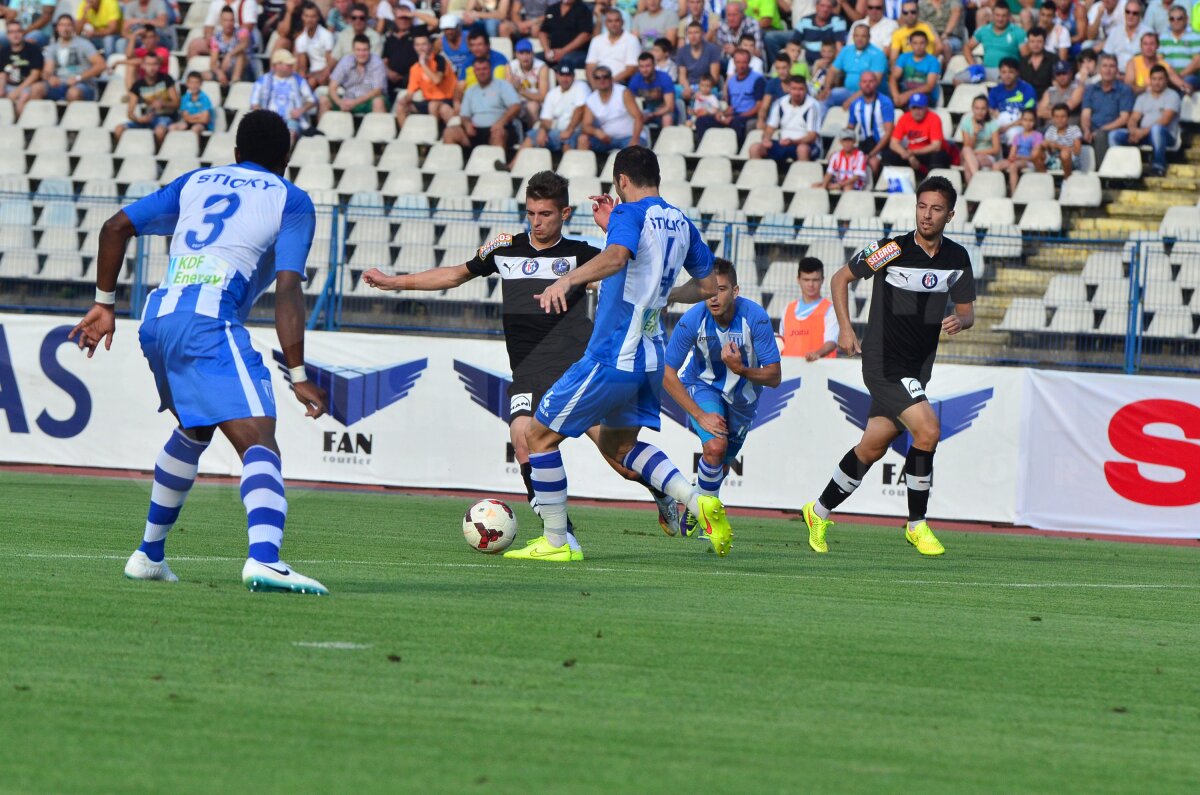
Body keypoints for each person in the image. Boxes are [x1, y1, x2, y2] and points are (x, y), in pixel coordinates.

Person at [69, 110, 330, 595]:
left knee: (195, 428)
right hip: (210, 318)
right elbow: (288, 288)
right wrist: (298, 373)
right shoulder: (290, 199)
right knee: (259, 439)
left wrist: (104, 305)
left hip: (159, 318)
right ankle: (265, 559)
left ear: (235, 153)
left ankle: (148, 555)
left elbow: (114, 227)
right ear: (286, 157)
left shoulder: (196, 181)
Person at [361, 172, 683, 536]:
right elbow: (454, 275)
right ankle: (560, 532)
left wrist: (612, 230)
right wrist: (394, 282)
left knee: (620, 461)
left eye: (545, 214)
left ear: (565, 213)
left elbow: (625, 272)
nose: (536, 222)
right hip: (528, 370)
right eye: (531, 213)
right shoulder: (504, 248)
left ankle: (662, 493)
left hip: (576, 370)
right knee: (523, 439)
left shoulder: (580, 255)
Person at [507, 146, 732, 562]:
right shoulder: (681, 222)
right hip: (649, 358)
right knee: (621, 447)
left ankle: (557, 542)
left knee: (536, 437)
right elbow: (705, 287)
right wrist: (664, 294)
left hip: (612, 354)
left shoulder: (630, 213)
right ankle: (697, 500)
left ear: (622, 180)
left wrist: (567, 281)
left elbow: (616, 257)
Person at [799, 175, 976, 558]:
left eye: (936, 209)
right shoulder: (891, 249)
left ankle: (818, 512)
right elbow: (840, 279)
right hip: (884, 362)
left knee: (872, 447)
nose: (926, 215)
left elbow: (968, 312)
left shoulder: (957, 258)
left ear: (950, 215)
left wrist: (960, 321)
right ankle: (916, 525)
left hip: (918, 368)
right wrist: (846, 329)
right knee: (928, 430)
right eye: (922, 206)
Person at [663, 258, 781, 536]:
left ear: (735, 291)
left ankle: (695, 502)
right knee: (715, 448)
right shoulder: (692, 319)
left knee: (722, 466)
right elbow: (667, 373)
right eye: (708, 290)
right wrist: (699, 414)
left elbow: (774, 376)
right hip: (703, 387)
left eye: (721, 289)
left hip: (744, 399)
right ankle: (709, 522)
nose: (713, 297)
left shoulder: (756, 318)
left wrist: (741, 369)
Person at [1110, 63, 1180, 176]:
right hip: (1143, 135)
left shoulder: (1173, 96)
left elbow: (1165, 120)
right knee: (1114, 135)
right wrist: (1133, 131)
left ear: (1166, 80)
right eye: (1154, 79)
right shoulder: (1143, 97)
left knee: (1157, 129)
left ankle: (1158, 166)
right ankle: (1121, 167)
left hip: (1165, 136)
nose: (1157, 82)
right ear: (1150, 80)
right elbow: (1133, 118)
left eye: (1160, 79)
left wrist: (1142, 132)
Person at [445, 56, 522, 151]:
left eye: (484, 69)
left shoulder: (503, 85)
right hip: (475, 131)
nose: (481, 72)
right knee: (450, 132)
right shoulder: (470, 91)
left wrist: (501, 122)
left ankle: (495, 160)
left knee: (498, 134)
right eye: (478, 70)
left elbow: (516, 106)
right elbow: (464, 115)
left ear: (490, 69)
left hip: (498, 128)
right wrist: (467, 124)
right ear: (474, 72)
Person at [695, 47, 765, 144]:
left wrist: (737, 116)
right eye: (738, 62)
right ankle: (706, 145)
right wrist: (722, 114)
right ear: (734, 63)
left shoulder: (757, 79)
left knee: (736, 123)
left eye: (744, 62)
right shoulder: (731, 81)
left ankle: (737, 148)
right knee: (702, 120)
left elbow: (759, 106)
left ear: (749, 62)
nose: (741, 66)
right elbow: (731, 107)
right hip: (734, 115)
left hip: (748, 115)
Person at [778, 256, 840, 358]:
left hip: (820, 367)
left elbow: (832, 341)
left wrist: (817, 354)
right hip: (790, 367)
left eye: (815, 280)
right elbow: (781, 341)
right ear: (798, 280)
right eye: (806, 280)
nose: (811, 284)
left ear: (822, 280)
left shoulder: (831, 310)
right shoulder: (787, 310)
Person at [750, 74, 822, 160]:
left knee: (802, 149)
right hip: (784, 143)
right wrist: (766, 139)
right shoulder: (780, 103)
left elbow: (812, 136)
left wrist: (792, 142)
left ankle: (803, 169)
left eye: (801, 89)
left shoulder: (813, 105)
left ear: (806, 90)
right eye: (794, 89)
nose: (797, 93)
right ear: (789, 89)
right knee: (755, 148)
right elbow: (770, 128)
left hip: (807, 144)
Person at [32, 15, 103, 102]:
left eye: (68, 25)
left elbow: (101, 65)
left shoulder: (84, 44)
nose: (65, 29)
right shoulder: (53, 47)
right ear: (57, 28)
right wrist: (50, 78)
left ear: (73, 27)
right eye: (62, 25)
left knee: (73, 93)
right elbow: (47, 70)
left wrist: (78, 78)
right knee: (36, 89)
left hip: (82, 84)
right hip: (60, 84)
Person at [251, 49, 317, 141]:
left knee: (290, 134)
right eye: (288, 65)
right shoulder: (263, 80)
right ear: (277, 65)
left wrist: (300, 110)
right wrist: (263, 117)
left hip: (292, 120)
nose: (291, 67)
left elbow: (312, 100)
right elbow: (254, 103)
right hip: (269, 120)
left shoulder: (299, 80)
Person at [577, 65, 648, 151]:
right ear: (594, 80)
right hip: (607, 139)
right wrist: (597, 132)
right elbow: (586, 125)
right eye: (597, 78)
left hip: (629, 137)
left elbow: (638, 117)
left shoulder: (623, 92)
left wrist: (635, 140)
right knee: (583, 139)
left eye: (605, 77)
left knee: (633, 149)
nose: (601, 80)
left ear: (611, 78)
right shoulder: (591, 99)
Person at [1082, 53, 1135, 167]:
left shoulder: (1124, 90)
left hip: (1113, 129)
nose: (1108, 70)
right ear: (1099, 69)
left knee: (1100, 136)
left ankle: (1101, 171)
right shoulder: (1091, 89)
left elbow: (1124, 118)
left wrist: (1102, 129)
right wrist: (1086, 130)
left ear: (1117, 69)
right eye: (1105, 66)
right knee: (1072, 133)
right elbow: (1085, 114)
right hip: (1092, 128)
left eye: (1112, 66)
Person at [395, 30, 456, 127]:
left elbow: (437, 80)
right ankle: (405, 133)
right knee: (401, 106)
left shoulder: (440, 60)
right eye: (417, 45)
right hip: (428, 101)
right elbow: (411, 92)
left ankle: (433, 133)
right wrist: (404, 100)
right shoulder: (415, 68)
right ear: (414, 47)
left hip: (446, 99)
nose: (421, 48)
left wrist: (423, 64)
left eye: (424, 44)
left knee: (434, 105)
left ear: (430, 46)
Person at [520, 62, 586, 151]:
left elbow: (580, 110)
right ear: (557, 76)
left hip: (576, 131)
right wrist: (543, 130)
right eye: (562, 75)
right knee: (532, 136)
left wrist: (569, 131)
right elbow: (546, 119)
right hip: (557, 132)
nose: (565, 79)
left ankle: (569, 160)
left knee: (567, 141)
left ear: (573, 76)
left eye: (568, 75)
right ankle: (513, 161)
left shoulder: (581, 86)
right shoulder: (552, 94)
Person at [115, 51, 177, 144]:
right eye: (148, 64)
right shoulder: (137, 85)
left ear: (159, 66)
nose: (151, 68)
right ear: (143, 66)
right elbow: (130, 113)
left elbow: (176, 103)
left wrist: (163, 104)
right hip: (146, 118)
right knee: (119, 129)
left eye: (154, 64)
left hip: (165, 117)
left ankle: (158, 151)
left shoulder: (166, 79)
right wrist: (139, 119)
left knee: (159, 131)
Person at [822, 20, 887, 109]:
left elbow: (874, 83)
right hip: (847, 91)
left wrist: (851, 100)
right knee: (825, 98)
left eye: (863, 36)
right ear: (853, 37)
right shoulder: (846, 50)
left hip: (870, 94)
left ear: (869, 38)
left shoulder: (878, 54)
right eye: (857, 36)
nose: (859, 39)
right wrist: (826, 89)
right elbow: (832, 71)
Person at [320, 34, 387, 115]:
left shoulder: (377, 62)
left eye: (365, 50)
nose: (361, 53)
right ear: (353, 50)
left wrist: (355, 102)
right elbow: (332, 87)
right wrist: (340, 102)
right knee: (324, 100)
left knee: (378, 102)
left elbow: (377, 90)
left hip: (369, 99)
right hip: (348, 98)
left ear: (370, 50)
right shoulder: (346, 61)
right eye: (358, 50)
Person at [882, 91, 947, 172]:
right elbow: (893, 143)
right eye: (914, 108)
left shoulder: (934, 118)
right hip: (910, 154)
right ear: (910, 108)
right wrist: (906, 154)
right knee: (888, 154)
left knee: (939, 156)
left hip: (926, 153)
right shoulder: (904, 118)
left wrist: (913, 152)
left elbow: (936, 146)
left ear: (926, 108)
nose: (917, 111)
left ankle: (931, 178)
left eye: (920, 108)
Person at [961, 1, 1023, 80]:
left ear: (1009, 17)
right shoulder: (983, 30)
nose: (1000, 19)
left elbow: (1025, 55)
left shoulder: (1018, 32)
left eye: (1003, 16)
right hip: (986, 70)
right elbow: (967, 47)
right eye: (997, 15)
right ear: (992, 15)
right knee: (957, 79)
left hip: (1006, 72)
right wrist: (973, 64)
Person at [848, 69, 894, 174]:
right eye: (864, 82)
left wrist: (871, 154)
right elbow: (850, 129)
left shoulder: (885, 102)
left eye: (870, 81)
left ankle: (873, 183)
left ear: (876, 83)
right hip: (864, 144)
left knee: (873, 162)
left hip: (882, 146)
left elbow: (888, 133)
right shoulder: (855, 104)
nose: (867, 85)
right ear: (860, 84)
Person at [988, 57, 1037, 144]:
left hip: (1019, 123)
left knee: (1013, 133)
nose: (1007, 76)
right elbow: (991, 110)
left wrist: (1007, 127)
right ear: (1000, 73)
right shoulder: (995, 90)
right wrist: (993, 114)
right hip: (1001, 121)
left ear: (1017, 73)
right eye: (1004, 72)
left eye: (1011, 72)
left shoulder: (1027, 89)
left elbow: (1029, 115)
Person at [1126, 31, 1193, 95]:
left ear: (1158, 46)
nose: (1148, 47)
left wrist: (1187, 88)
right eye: (1145, 44)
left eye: (1152, 44)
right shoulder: (1133, 63)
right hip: (1138, 99)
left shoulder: (1164, 65)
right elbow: (1129, 88)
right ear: (1141, 46)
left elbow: (1180, 83)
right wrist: (1148, 89)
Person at [994, 107, 1045, 192]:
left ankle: (1013, 193)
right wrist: (1012, 157)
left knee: (1013, 166)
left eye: (1031, 120)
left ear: (1035, 121)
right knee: (996, 165)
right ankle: (997, 191)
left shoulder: (1037, 136)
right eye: (1025, 120)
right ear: (1021, 121)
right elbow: (1012, 153)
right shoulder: (1017, 136)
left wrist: (1019, 157)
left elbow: (1034, 157)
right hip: (1017, 160)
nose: (1028, 123)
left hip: (1029, 162)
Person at [586, 8, 640, 85]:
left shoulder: (632, 40)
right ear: (605, 23)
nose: (613, 24)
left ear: (622, 22)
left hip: (621, 82)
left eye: (616, 21)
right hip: (598, 83)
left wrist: (608, 83)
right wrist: (594, 85)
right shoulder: (596, 40)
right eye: (610, 21)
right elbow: (590, 67)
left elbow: (631, 69)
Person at [0, 20, 43, 116]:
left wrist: (17, 91)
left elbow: (35, 75)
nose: (15, 35)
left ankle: (20, 124)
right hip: (9, 86)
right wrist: (1, 89)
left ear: (23, 33)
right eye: (12, 32)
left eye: (18, 31)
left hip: (27, 86)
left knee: (22, 99)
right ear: (7, 35)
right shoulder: (3, 52)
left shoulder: (33, 49)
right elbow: (2, 74)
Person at [890, 28, 940, 108]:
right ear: (910, 44)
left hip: (924, 95)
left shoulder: (933, 61)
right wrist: (896, 96)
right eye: (915, 43)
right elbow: (893, 78)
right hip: (904, 92)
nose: (918, 47)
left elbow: (929, 86)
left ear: (927, 44)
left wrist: (907, 95)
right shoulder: (903, 57)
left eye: (922, 43)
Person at [789, 0, 848, 66]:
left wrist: (834, 65)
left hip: (828, 62)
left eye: (828, 7)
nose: (825, 9)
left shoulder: (838, 21)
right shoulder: (805, 20)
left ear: (832, 9)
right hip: (807, 62)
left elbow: (839, 47)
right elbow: (794, 43)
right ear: (816, 7)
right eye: (822, 6)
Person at [958, 94, 1002, 183]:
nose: (979, 112)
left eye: (983, 109)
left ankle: (973, 186)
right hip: (969, 153)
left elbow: (996, 149)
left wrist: (976, 152)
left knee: (968, 163)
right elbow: (968, 146)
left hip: (986, 155)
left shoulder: (992, 123)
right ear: (972, 108)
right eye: (977, 108)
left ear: (987, 109)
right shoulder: (966, 123)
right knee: (966, 150)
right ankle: (977, 180)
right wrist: (975, 134)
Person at [538, 0, 592, 70]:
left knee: (565, 61)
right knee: (536, 59)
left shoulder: (583, 10)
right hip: (553, 51)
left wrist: (563, 51)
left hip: (577, 52)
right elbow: (543, 32)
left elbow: (585, 35)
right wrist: (547, 50)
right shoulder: (552, 9)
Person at [677, 20, 722, 101]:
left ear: (702, 34)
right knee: (674, 90)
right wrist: (687, 88)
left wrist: (702, 90)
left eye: (696, 32)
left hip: (707, 86)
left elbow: (715, 77)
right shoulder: (682, 51)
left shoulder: (712, 49)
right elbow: (682, 76)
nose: (693, 36)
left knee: (714, 93)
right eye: (690, 33)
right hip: (689, 86)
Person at [629, 50, 676, 127]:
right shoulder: (635, 80)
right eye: (642, 66)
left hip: (663, 111)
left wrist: (652, 114)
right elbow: (630, 103)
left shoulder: (664, 78)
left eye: (648, 66)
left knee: (667, 118)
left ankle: (667, 135)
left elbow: (670, 107)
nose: (645, 70)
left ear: (654, 65)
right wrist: (639, 115)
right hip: (646, 111)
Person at [294, 1, 335, 87]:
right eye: (307, 16)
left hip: (327, 73)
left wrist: (319, 74)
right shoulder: (300, 40)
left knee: (313, 80)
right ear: (302, 17)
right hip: (312, 73)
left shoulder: (326, 35)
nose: (309, 20)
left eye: (313, 16)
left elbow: (330, 64)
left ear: (317, 18)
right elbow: (302, 68)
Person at [207, 6, 250, 86]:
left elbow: (244, 44)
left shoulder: (241, 32)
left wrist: (229, 55)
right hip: (225, 68)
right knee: (203, 75)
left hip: (244, 71)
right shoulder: (216, 37)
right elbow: (213, 62)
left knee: (240, 54)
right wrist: (219, 73)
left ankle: (235, 83)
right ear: (221, 21)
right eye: (226, 20)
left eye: (231, 20)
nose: (229, 23)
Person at [1160, 6, 1200, 92]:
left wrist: (1180, 76)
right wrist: (1172, 76)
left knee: (1187, 82)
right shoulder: (1163, 36)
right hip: (1167, 76)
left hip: (1189, 76)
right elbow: (1159, 59)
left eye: (1179, 18)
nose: (1176, 21)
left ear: (1186, 19)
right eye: (1172, 19)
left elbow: (1197, 62)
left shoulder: (1195, 36)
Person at [1104, 0, 1150, 72]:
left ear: (1140, 15)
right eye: (1128, 12)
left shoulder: (1147, 32)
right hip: (1115, 74)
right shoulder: (1115, 31)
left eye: (1135, 13)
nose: (1130, 16)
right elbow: (1107, 55)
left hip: (1139, 73)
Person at [1042, 101, 1083, 175]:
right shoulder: (1050, 130)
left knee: (1064, 154)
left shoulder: (1074, 129)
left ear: (1068, 117)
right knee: (1036, 151)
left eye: (1063, 116)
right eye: (1056, 117)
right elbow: (1048, 151)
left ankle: (1067, 180)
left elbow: (1077, 151)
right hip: (1053, 161)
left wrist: (1059, 146)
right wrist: (1046, 146)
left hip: (1071, 163)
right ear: (1053, 118)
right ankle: (1043, 178)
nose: (1059, 120)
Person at [171, 70, 215, 135]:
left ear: (201, 84)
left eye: (196, 83)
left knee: (195, 129)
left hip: (202, 125)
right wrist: (198, 116)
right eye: (191, 83)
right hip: (188, 123)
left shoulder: (205, 98)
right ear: (187, 83)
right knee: (173, 127)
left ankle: (196, 142)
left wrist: (191, 117)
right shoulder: (185, 98)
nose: (194, 86)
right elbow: (185, 117)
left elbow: (205, 119)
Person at [1020, 26, 1058, 98]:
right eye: (1032, 41)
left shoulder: (1053, 59)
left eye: (1039, 41)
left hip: (1049, 98)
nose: (1035, 45)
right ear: (1028, 42)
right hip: (1026, 98)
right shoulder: (1023, 61)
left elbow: (1056, 83)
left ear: (1044, 42)